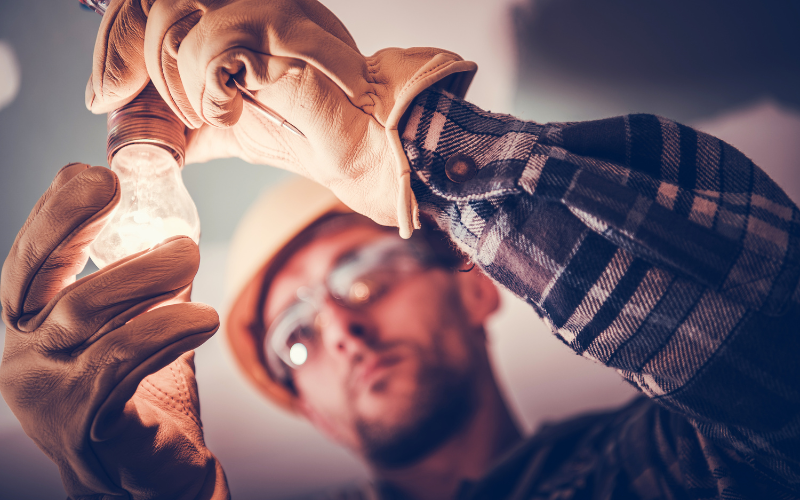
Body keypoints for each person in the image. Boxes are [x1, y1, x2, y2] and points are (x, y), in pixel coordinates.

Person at [1, 1, 798, 499]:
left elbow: (776, 340)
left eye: (358, 277)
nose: (340, 333)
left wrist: (394, 139)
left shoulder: (671, 464)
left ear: (478, 287)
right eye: (297, 339)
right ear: (303, 406)